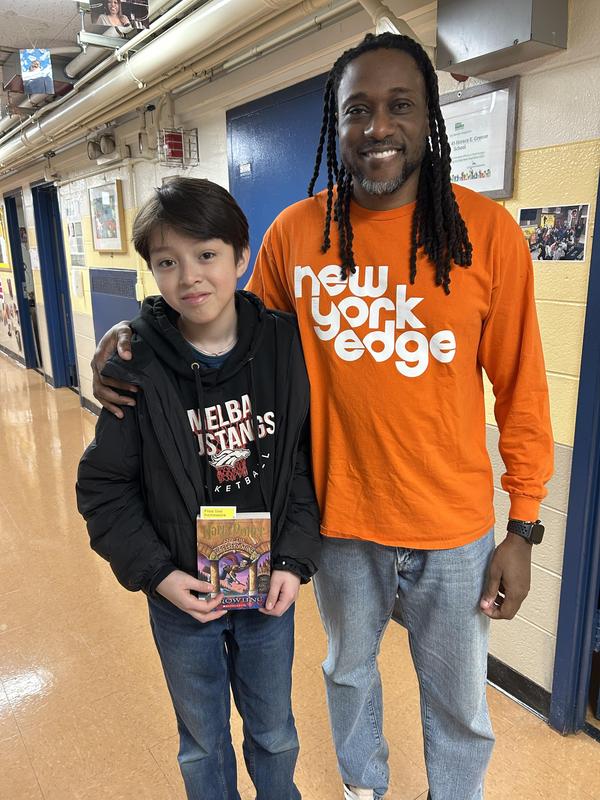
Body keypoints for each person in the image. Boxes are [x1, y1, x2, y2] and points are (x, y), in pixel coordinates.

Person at [91, 33, 554, 800]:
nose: (378, 127)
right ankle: (362, 791)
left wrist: (524, 526)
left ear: (429, 118)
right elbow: (220, 324)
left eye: (399, 106)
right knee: (347, 676)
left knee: (461, 706)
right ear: (334, 126)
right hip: (340, 519)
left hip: (455, 528)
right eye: (357, 110)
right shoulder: (298, 236)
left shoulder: (487, 236)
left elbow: (523, 391)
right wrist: (133, 332)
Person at [77, 177, 321, 800]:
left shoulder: (285, 350)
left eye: (207, 254)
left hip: (267, 593)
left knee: (275, 734)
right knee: (203, 743)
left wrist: (294, 559)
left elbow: (301, 462)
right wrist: (158, 574)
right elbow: (104, 490)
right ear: (152, 272)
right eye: (167, 262)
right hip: (182, 597)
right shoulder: (136, 366)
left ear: (243, 257)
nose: (190, 276)